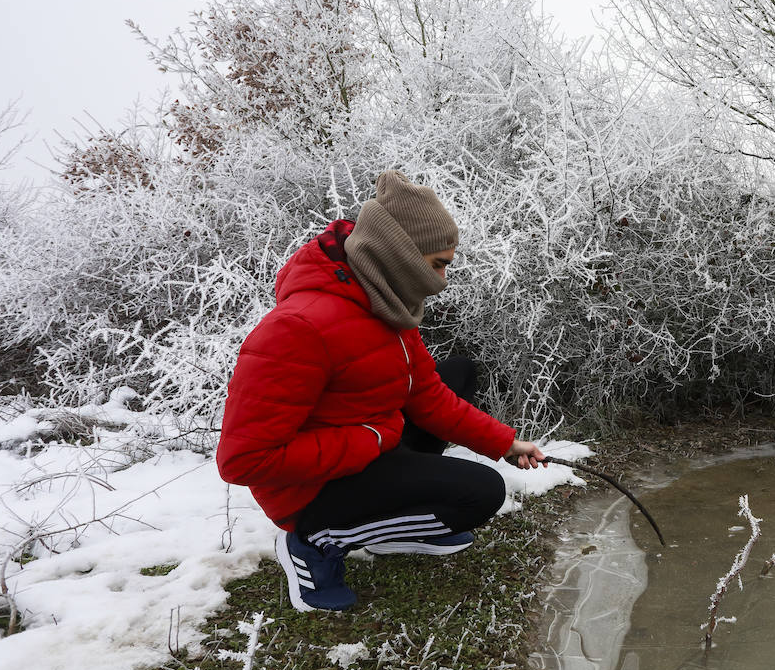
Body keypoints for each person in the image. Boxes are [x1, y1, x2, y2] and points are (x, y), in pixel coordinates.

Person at [216, 170, 544, 612]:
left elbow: (427, 395)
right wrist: (372, 437)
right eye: (438, 264)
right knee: (481, 493)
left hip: (365, 445)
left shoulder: (385, 303)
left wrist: (504, 443)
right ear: (400, 257)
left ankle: (393, 527)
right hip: (311, 488)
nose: (443, 280)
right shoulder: (298, 328)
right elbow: (244, 461)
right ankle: (313, 542)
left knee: (458, 372)